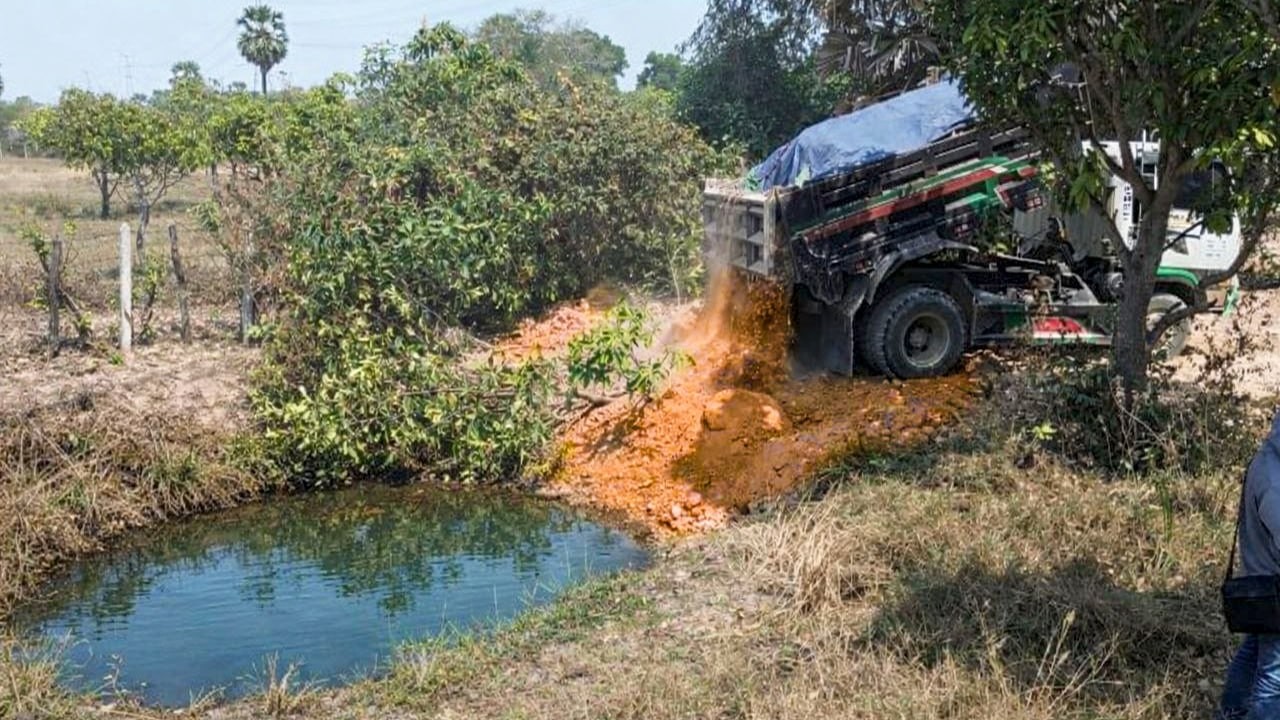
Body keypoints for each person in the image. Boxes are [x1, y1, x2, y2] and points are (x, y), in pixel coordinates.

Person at [1220, 413, 1280, 719]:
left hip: (1261, 581)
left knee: (1254, 649)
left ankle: (1231, 712)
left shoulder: (1268, 456)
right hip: (1274, 586)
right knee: (1275, 678)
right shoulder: (1274, 483)